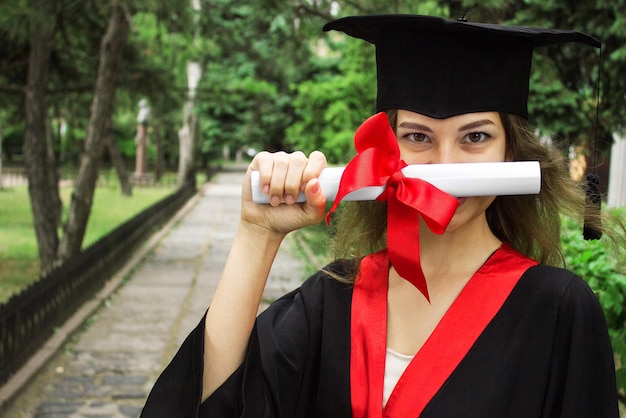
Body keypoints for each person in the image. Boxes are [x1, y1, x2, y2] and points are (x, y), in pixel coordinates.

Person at [141, 14, 621, 417]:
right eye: (417, 137)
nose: (443, 167)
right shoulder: (333, 300)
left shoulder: (558, 311)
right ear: (386, 147)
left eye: (475, 137)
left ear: (511, 150)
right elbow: (215, 405)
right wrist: (256, 235)